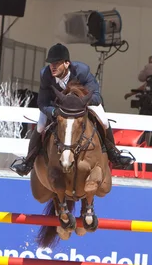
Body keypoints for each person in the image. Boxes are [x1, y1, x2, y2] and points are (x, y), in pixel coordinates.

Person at [11, 43, 135, 176]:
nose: (52, 66)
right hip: (57, 107)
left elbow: (96, 96)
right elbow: (42, 102)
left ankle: (114, 154)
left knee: (104, 120)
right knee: (41, 125)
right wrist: (53, 112)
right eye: (51, 63)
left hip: (82, 104)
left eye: (57, 63)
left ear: (66, 63)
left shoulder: (82, 71)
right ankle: (28, 162)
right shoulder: (46, 74)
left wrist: (79, 103)